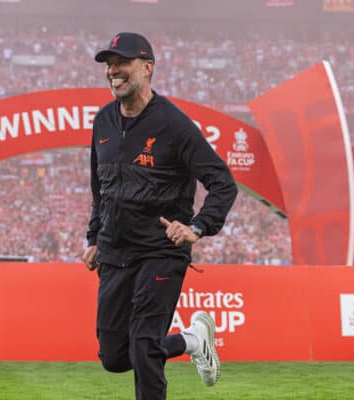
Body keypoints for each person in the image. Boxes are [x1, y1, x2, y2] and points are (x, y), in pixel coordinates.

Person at [83, 32, 238, 400]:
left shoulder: (174, 124)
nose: (113, 71)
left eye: (122, 63)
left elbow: (223, 183)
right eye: (109, 64)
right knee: (115, 357)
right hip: (114, 253)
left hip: (160, 250)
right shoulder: (103, 121)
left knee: (142, 345)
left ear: (147, 67)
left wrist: (198, 227)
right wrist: (93, 238)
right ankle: (191, 340)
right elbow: (99, 188)